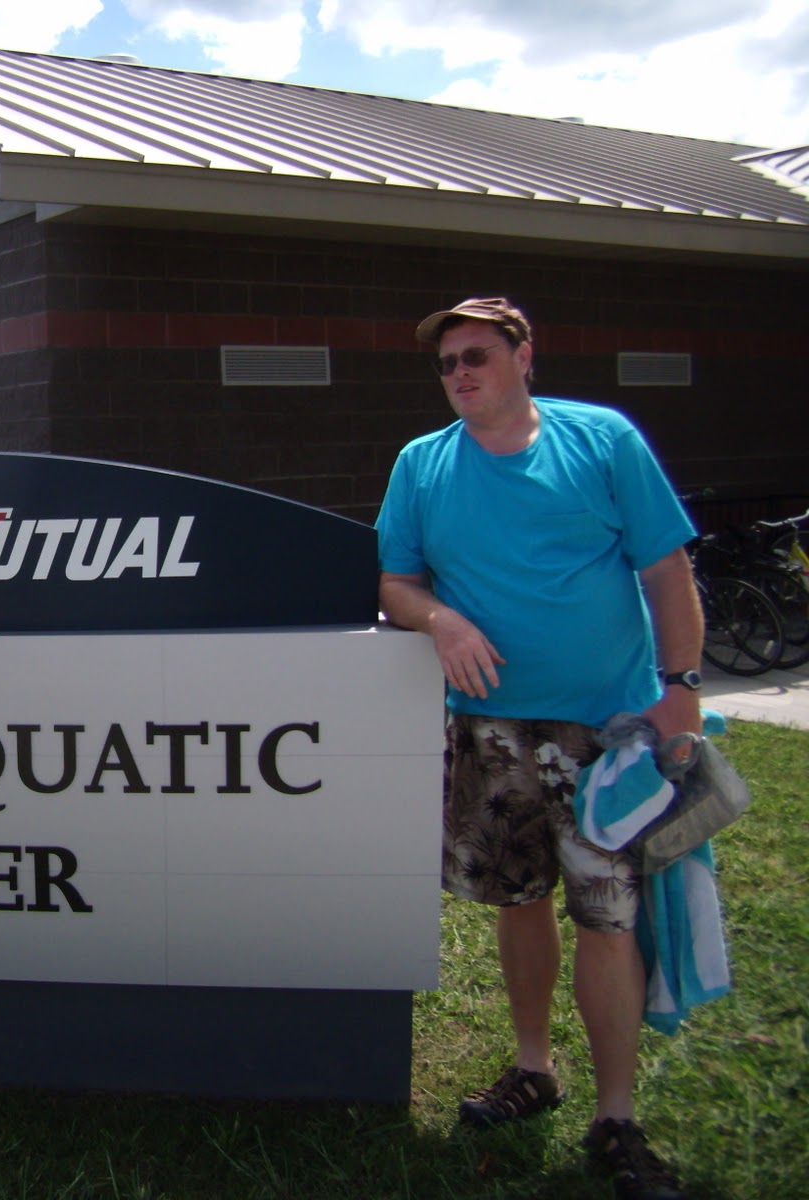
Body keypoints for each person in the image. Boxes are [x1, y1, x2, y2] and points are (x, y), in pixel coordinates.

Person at [376, 298, 701, 1200]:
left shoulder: (602, 440)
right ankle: (532, 1068)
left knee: (609, 915)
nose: (460, 375)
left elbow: (666, 567)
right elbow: (396, 581)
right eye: (446, 364)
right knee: (518, 903)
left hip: (607, 734)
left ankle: (617, 1117)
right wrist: (439, 619)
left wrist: (681, 689)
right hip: (492, 732)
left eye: (476, 355)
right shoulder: (422, 465)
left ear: (524, 355)